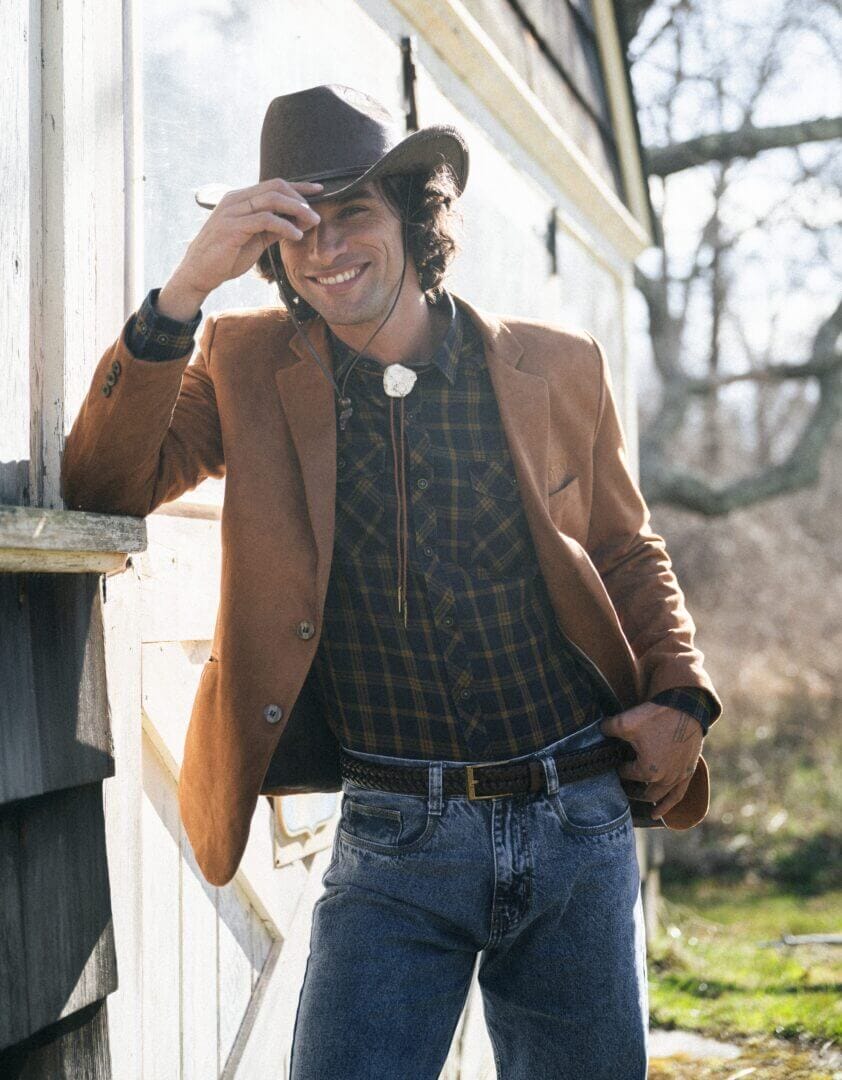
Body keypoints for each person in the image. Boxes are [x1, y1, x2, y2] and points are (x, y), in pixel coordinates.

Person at [61, 84, 722, 1079]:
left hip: (576, 814)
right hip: (394, 838)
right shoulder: (244, 365)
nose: (325, 247)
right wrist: (186, 287)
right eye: (297, 225)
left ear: (415, 215)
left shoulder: (558, 367)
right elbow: (102, 483)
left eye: (352, 212)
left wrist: (683, 698)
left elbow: (628, 551)